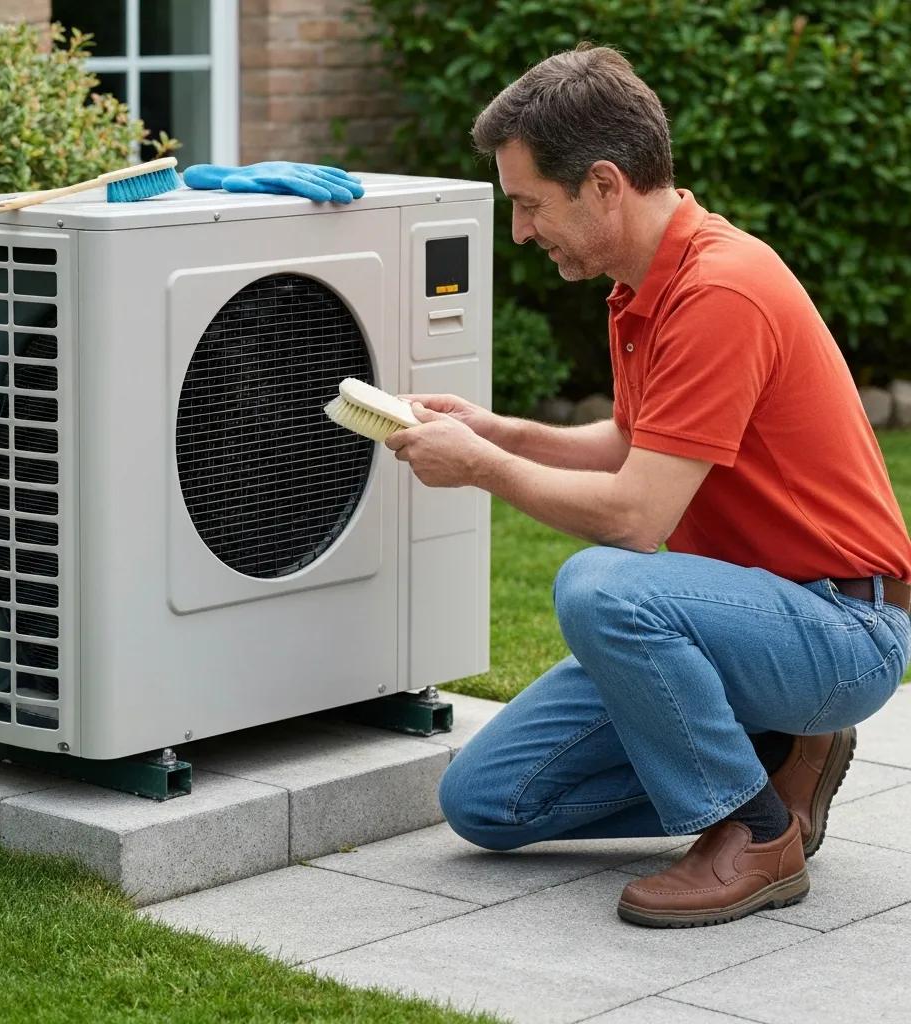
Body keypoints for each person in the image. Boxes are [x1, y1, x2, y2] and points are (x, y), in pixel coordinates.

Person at [383, 43, 911, 928]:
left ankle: (756, 832)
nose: (520, 232)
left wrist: (480, 470)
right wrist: (498, 430)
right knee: (485, 801)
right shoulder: (645, 286)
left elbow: (636, 515)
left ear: (602, 183)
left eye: (529, 205)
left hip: (841, 627)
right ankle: (773, 755)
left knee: (599, 585)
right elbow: (635, 444)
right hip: (744, 624)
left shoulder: (720, 293)